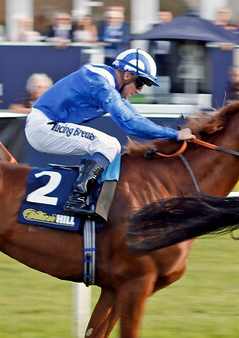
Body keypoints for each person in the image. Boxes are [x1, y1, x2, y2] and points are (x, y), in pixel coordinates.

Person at [25, 49, 195, 219]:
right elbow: (129, 122)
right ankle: (76, 200)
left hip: (46, 125)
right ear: (127, 75)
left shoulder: (109, 82)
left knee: (109, 146)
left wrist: (173, 133)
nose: (139, 91)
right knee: (107, 144)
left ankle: (92, 197)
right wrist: (173, 135)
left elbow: (134, 117)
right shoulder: (100, 83)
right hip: (43, 126)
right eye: (140, 83)